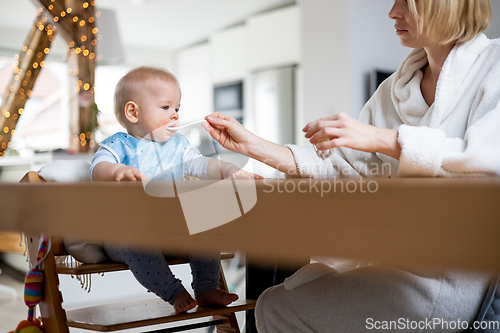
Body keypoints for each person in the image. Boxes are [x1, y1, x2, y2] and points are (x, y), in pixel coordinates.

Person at [202, 0, 500, 331]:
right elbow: (346, 168)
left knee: (278, 307)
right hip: (391, 264)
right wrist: (253, 145)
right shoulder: (394, 90)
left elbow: (487, 163)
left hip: (451, 282)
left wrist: (382, 139)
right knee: (278, 297)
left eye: (406, 2)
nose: (393, 12)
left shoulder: (494, 65)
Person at [90, 66, 260, 314]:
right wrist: (116, 171)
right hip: (126, 234)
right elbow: (98, 167)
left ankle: (205, 287)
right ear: (133, 112)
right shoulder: (119, 145)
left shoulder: (178, 145)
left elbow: (202, 164)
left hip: (170, 231)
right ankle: (173, 291)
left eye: (177, 109)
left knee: (204, 227)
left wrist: (228, 171)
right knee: (136, 243)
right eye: (166, 107)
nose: (175, 116)